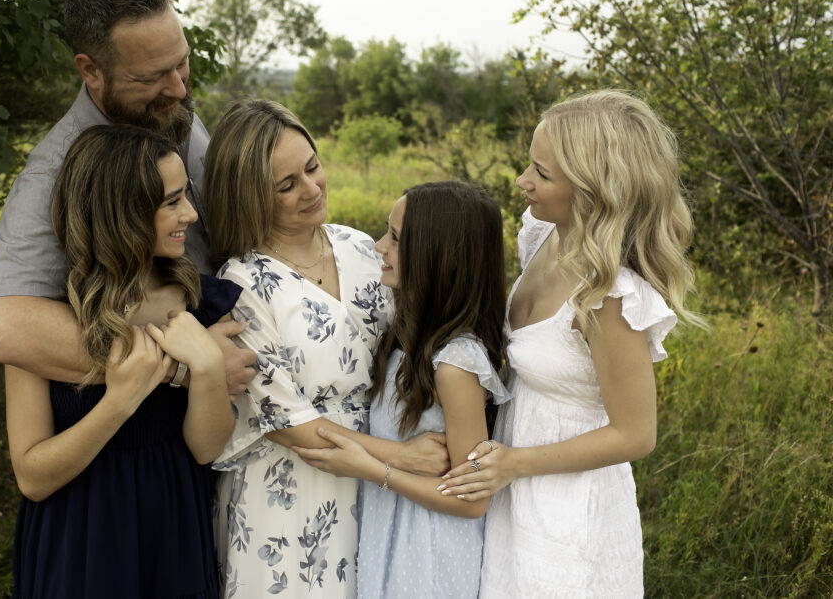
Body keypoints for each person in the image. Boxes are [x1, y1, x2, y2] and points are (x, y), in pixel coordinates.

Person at [440, 90, 702, 597]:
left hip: (569, 505)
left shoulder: (607, 296)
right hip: (515, 486)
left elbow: (636, 434)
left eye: (541, 172)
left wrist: (515, 464)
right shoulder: (543, 236)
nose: (523, 181)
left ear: (592, 189)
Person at [203, 100, 451, 597]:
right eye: (287, 185)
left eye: (312, 167)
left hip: (376, 488)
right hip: (293, 491)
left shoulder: (361, 246)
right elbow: (284, 421)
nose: (312, 189)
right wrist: (399, 458)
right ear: (250, 197)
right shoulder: (243, 280)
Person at [0, 0, 254, 391]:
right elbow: (10, 329)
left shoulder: (166, 107)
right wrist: (184, 364)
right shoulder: (54, 172)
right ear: (91, 70)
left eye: (181, 63)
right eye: (150, 77)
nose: (180, 89)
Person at [8, 124, 238, 597]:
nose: (191, 214)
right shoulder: (41, 322)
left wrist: (209, 366)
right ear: (122, 213)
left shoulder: (200, 300)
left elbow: (206, 449)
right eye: (171, 201)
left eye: (186, 196)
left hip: (172, 527)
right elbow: (32, 477)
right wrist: (120, 401)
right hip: (77, 537)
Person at [291, 181, 513, 599]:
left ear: (436, 255)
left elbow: (471, 501)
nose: (378, 246)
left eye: (395, 237)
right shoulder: (406, 334)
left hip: (429, 552)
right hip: (390, 533)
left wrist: (374, 469)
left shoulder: (454, 364)